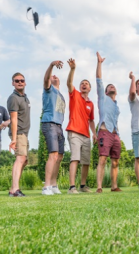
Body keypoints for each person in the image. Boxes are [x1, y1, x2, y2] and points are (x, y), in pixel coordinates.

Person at [65, 58, 96, 194]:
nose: (84, 85)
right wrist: (72, 69)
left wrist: (94, 133)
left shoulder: (91, 104)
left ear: (89, 88)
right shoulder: (75, 94)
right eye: (82, 83)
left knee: (86, 162)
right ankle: (72, 187)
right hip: (74, 132)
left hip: (86, 135)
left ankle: (83, 186)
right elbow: (69, 83)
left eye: (86, 84)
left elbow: (91, 121)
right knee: (75, 159)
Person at [95, 52, 122, 193]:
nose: (112, 87)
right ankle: (99, 187)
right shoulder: (102, 99)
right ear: (105, 92)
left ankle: (114, 186)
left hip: (115, 134)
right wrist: (99, 63)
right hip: (104, 133)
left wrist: (118, 135)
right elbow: (99, 79)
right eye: (109, 87)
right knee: (103, 159)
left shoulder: (116, 105)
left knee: (115, 162)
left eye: (113, 87)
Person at [41, 60, 66, 195]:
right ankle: (46, 186)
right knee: (53, 155)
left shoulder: (61, 96)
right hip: (49, 123)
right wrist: (51, 65)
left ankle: (54, 184)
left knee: (59, 156)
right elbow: (46, 79)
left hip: (59, 126)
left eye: (56, 76)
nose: (54, 76)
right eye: (52, 76)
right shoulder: (48, 89)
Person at [7, 72, 31, 197]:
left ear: (25, 82)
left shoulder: (25, 98)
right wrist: (14, 138)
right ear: (13, 83)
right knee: (20, 158)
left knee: (24, 160)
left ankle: (12, 188)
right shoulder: (14, 97)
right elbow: (14, 118)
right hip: (19, 132)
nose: (20, 82)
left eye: (22, 80)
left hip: (25, 133)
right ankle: (15, 189)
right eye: (17, 81)